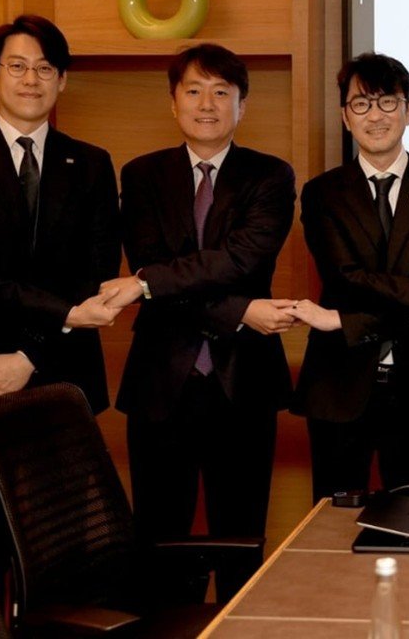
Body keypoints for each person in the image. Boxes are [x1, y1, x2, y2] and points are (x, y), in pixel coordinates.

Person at [0, 14, 121, 593]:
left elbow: (95, 272)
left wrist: (31, 355)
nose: (31, 79)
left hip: (61, 372)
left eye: (45, 68)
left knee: (65, 536)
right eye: (17, 66)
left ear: (63, 81)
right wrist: (59, 318)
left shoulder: (91, 163)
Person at [101, 43, 295, 593]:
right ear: (173, 102)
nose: (206, 104)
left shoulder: (270, 176)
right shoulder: (142, 175)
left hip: (243, 383)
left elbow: (240, 260)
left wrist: (148, 283)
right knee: (158, 539)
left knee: (242, 535)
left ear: (242, 105)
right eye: (193, 90)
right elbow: (152, 262)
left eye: (221, 92)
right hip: (161, 382)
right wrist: (241, 309)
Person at [288, 53, 409, 501]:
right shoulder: (322, 193)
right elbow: (347, 277)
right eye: (361, 104)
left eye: (388, 102)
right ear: (345, 116)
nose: (375, 116)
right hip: (338, 384)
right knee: (332, 524)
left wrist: (344, 320)